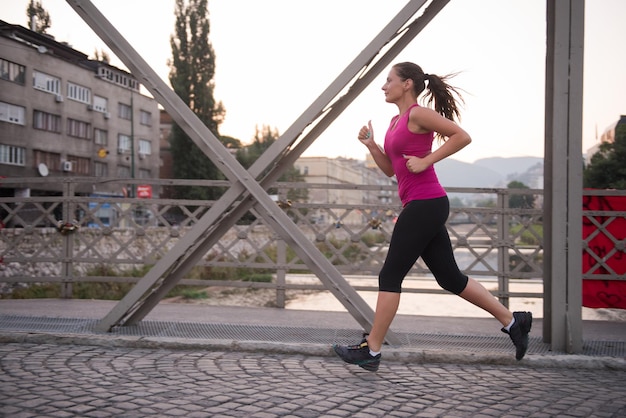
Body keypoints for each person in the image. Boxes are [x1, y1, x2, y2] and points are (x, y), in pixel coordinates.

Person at [333, 62, 532, 372]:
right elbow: (391, 170)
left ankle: (371, 350)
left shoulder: (417, 114)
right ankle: (512, 321)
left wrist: (427, 160)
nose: (384, 86)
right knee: (450, 278)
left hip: (426, 203)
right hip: (420, 203)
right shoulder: (395, 120)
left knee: (389, 276)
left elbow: (461, 136)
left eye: (389, 80)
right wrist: (371, 145)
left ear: (408, 84)